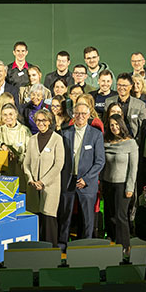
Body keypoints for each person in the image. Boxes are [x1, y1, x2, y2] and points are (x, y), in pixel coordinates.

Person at [57, 100, 106, 246]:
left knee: (88, 219)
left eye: (83, 113)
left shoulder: (96, 134)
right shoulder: (65, 133)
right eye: (77, 113)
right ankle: (62, 246)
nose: (80, 116)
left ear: (89, 115)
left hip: (87, 183)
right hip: (68, 180)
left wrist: (87, 179)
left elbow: (100, 161)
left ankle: (86, 247)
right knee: (65, 217)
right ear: (73, 114)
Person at [23, 109, 64, 247]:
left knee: (48, 219)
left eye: (44, 120)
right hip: (33, 187)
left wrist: (43, 182)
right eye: (38, 120)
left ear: (49, 121)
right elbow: (26, 163)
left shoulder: (57, 139)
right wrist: (30, 179)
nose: (41, 123)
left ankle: (51, 252)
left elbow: (58, 164)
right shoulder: (32, 140)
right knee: (35, 219)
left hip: (50, 187)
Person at [102, 114, 138, 255]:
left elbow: (133, 168)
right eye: (111, 125)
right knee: (110, 215)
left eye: (117, 124)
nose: (114, 127)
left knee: (121, 216)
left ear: (121, 125)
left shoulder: (130, 143)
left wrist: (130, 187)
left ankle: (125, 245)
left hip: (122, 185)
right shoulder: (106, 142)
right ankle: (113, 243)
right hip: (107, 183)